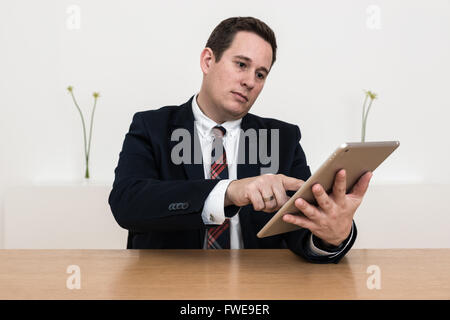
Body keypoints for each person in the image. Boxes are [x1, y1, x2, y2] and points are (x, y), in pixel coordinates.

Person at [108, 16, 372, 264]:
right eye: (241, 65)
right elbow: (128, 204)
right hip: (172, 285)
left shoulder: (283, 139)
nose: (249, 81)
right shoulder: (152, 127)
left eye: (260, 74)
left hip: (256, 287)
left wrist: (331, 235)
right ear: (208, 61)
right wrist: (229, 191)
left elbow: (299, 232)